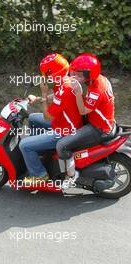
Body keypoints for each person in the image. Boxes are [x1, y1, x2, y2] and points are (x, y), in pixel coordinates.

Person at [19, 53, 83, 185]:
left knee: (24, 145)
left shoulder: (64, 88)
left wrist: (42, 93)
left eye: (47, 74)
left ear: (54, 73)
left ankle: (39, 175)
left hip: (64, 132)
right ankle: (40, 153)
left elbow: (47, 117)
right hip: (66, 123)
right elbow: (56, 97)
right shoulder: (67, 81)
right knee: (32, 119)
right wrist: (38, 99)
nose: (45, 77)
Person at [56, 53, 115, 190]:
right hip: (99, 120)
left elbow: (82, 111)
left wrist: (77, 91)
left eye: (78, 75)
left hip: (98, 128)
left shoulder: (96, 91)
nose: (74, 77)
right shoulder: (101, 79)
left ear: (89, 75)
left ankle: (71, 176)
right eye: (73, 73)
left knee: (61, 145)